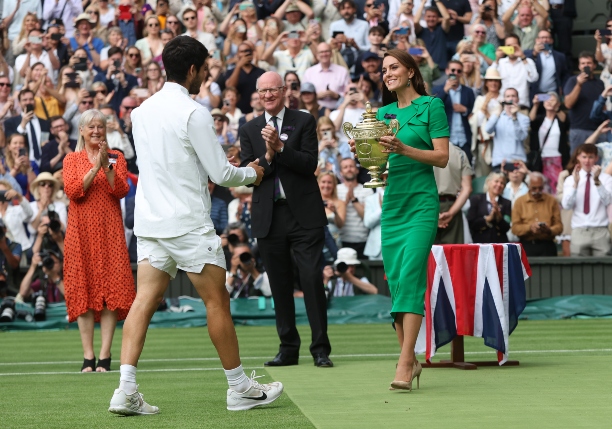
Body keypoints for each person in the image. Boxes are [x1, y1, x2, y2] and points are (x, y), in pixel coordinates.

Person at [109, 37, 283, 416]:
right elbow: (222, 173)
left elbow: (172, 163)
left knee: (144, 302)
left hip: (151, 222)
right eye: (204, 68)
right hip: (187, 223)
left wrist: (213, 166)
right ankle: (239, 388)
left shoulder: (140, 112)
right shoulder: (195, 111)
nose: (206, 75)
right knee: (216, 301)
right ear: (191, 70)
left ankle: (125, 390)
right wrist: (254, 172)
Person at [349, 49, 449, 390]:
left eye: (394, 68)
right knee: (396, 283)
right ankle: (410, 358)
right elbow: (379, 161)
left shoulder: (432, 106)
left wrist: (403, 149)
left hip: (422, 202)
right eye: (384, 69)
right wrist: (365, 152)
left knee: (410, 278)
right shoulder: (383, 112)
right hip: (393, 203)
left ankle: (405, 363)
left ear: (410, 72)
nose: (387, 73)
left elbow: (442, 157)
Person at [240, 70, 332, 369]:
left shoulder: (303, 120)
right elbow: (249, 175)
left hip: (303, 214)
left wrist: (280, 148)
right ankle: (288, 348)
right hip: (269, 216)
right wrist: (267, 157)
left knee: (311, 279)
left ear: (284, 91)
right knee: (279, 285)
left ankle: (320, 349)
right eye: (262, 91)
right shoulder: (250, 128)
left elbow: (309, 164)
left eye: (273, 90)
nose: (267, 95)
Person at [63, 110, 134, 373]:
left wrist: (107, 166)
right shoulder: (72, 159)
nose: (96, 131)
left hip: (110, 232)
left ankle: (105, 355)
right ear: (81, 130)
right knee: (83, 290)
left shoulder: (116, 157)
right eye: (91, 127)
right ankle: (87, 357)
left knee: (109, 294)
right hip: (80, 233)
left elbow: (121, 190)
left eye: (100, 127)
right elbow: (73, 191)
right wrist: (96, 167)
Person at [561, 144, 612, 257]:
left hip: (600, 231)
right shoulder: (570, 179)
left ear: (596, 158)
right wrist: (575, 184)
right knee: (579, 271)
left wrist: (597, 182)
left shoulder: (606, 179)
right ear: (578, 157)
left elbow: (608, 201)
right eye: (584, 157)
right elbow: (566, 205)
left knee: (604, 271)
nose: (587, 161)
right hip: (579, 230)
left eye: (591, 157)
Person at [432, 60, 475, 164]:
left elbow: (473, 112)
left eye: (459, 71)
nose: (455, 73)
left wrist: (465, 110)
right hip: (446, 139)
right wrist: (445, 90)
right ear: (447, 71)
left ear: (461, 73)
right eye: (453, 70)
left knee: (466, 171)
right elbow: (433, 109)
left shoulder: (468, 91)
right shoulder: (437, 89)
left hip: (464, 138)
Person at [512, 172, 563, 257]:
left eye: (540, 188)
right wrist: (530, 228)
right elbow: (515, 228)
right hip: (526, 245)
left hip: (547, 245)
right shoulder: (520, 202)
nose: (537, 191)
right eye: (534, 188)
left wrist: (549, 230)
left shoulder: (551, 201)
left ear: (543, 186)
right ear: (528, 186)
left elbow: (559, 226)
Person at [563, 52, 605, 153]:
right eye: (583, 63)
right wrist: (579, 84)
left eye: (589, 63)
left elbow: (603, 107)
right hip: (579, 129)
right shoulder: (572, 81)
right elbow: (568, 104)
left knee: (600, 165)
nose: (586, 65)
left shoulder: (600, 83)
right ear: (579, 66)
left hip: (598, 130)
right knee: (578, 164)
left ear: (594, 65)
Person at [529, 92, 569, 192]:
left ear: (558, 103)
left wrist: (556, 108)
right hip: (542, 159)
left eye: (552, 100)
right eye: (547, 100)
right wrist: (535, 105)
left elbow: (565, 121)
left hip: (557, 159)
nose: (549, 102)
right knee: (542, 187)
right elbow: (531, 120)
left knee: (557, 187)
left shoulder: (560, 118)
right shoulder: (540, 119)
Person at [433, 143, 472, 244]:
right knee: (452, 256)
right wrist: (451, 213)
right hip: (452, 206)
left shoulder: (419, 150)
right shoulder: (460, 153)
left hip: (425, 206)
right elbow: (467, 189)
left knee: (426, 256)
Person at [485, 88, 530, 171]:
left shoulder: (524, 118)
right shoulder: (497, 116)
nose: (511, 98)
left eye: (513, 96)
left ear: (518, 99)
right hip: (499, 161)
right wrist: (499, 111)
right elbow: (488, 130)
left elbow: (521, 137)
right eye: (508, 96)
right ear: (504, 99)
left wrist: (514, 117)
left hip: (517, 160)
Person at [336, 158, 373, 258]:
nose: (349, 169)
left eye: (351, 166)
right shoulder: (335, 190)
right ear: (341, 172)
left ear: (357, 170)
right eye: (345, 167)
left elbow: (367, 217)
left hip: (362, 240)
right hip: (341, 240)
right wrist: (344, 203)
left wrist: (354, 200)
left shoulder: (367, 190)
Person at [4, 89, 51, 166]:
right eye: (25, 100)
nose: (28, 102)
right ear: (19, 103)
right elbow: (11, 143)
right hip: (22, 165)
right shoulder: (10, 122)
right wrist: (22, 125)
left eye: (31, 99)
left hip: (43, 163)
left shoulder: (45, 123)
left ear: (34, 101)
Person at [470, 67, 502, 177]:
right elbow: (476, 123)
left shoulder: (504, 99)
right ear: (486, 83)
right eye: (490, 80)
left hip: (501, 144)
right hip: (484, 143)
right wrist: (484, 105)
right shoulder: (480, 99)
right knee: (484, 176)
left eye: (496, 80)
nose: (493, 83)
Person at [491, 34, 538, 108]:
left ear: (519, 46)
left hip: (522, 106)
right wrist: (496, 59)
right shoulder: (500, 62)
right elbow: (490, 78)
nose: (511, 48)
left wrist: (522, 57)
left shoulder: (528, 61)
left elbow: (533, 78)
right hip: (502, 106)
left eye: (514, 45)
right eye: (508, 45)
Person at [303, 42, 350, 110]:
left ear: (331, 53)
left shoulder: (342, 71)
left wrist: (337, 95)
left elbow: (348, 93)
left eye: (326, 51)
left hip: (338, 109)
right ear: (317, 55)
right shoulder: (309, 72)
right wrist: (315, 96)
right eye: (321, 52)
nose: (324, 54)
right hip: (315, 110)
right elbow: (303, 94)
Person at [467, 172, 512, 243]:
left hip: (500, 243)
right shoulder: (476, 199)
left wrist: (498, 216)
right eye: (496, 181)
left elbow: (506, 227)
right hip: (480, 242)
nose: (499, 185)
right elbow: (471, 223)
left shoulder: (507, 203)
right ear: (488, 182)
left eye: (502, 183)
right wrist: (488, 218)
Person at [221, 42, 265, 114]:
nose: (245, 54)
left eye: (247, 51)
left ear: (252, 53)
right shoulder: (230, 72)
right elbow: (230, 87)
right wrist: (238, 66)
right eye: (242, 51)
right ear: (237, 54)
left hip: (257, 112)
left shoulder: (261, 72)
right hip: (238, 113)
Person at [524, 30, 569, 101]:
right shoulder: (528, 53)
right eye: (542, 38)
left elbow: (564, 74)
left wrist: (562, 87)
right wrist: (534, 53)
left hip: (552, 94)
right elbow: (524, 64)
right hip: (534, 94)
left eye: (547, 37)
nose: (545, 40)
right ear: (537, 40)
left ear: (551, 40)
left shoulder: (559, 56)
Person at [414, 1, 451, 75]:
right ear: (424, 18)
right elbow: (415, 21)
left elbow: (447, 17)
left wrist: (437, 1)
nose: (431, 19)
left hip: (441, 70)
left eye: (434, 16)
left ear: (438, 18)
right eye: (428, 16)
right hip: (424, 70)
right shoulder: (421, 31)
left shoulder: (442, 30)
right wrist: (422, 3)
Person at [318, 171, 346, 247]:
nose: (326, 185)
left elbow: (340, 225)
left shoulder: (339, 203)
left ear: (334, 185)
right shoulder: (312, 201)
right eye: (323, 182)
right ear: (318, 183)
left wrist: (335, 212)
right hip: (316, 242)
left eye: (329, 182)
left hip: (334, 242)